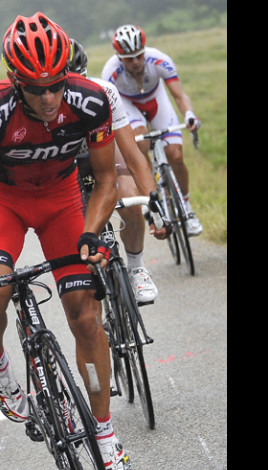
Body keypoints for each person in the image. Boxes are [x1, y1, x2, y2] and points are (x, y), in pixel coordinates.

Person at [0, 13, 133, 470]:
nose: (48, 98)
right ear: (15, 82)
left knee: (85, 317)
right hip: (4, 203)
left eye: (55, 85)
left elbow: (107, 179)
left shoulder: (88, 101)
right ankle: (1, 369)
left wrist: (92, 232)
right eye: (36, 88)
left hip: (63, 201)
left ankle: (105, 434)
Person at [67, 38, 167, 303]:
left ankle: (136, 267)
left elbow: (133, 156)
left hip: (104, 150)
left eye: (82, 78)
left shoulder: (105, 91)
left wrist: (154, 204)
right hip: (68, 162)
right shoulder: (45, 101)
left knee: (129, 196)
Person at [101, 23, 204, 236]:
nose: (136, 62)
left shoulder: (158, 59)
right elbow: (109, 110)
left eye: (139, 56)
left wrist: (189, 115)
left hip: (156, 100)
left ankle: (187, 207)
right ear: (120, 57)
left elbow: (179, 95)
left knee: (175, 154)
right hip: (128, 105)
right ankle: (153, 200)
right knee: (140, 143)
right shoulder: (110, 72)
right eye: (130, 58)